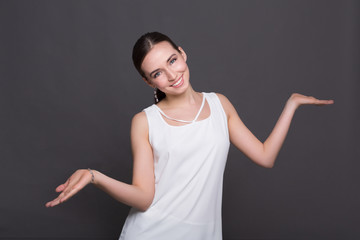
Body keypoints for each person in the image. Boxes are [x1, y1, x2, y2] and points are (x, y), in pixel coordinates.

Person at [45, 32, 334, 240]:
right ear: (148, 81)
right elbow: (144, 198)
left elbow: (265, 156)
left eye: (172, 60)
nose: (172, 75)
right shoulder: (144, 122)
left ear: (182, 54)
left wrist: (291, 105)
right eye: (158, 73)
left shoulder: (220, 104)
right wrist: (95, 176)